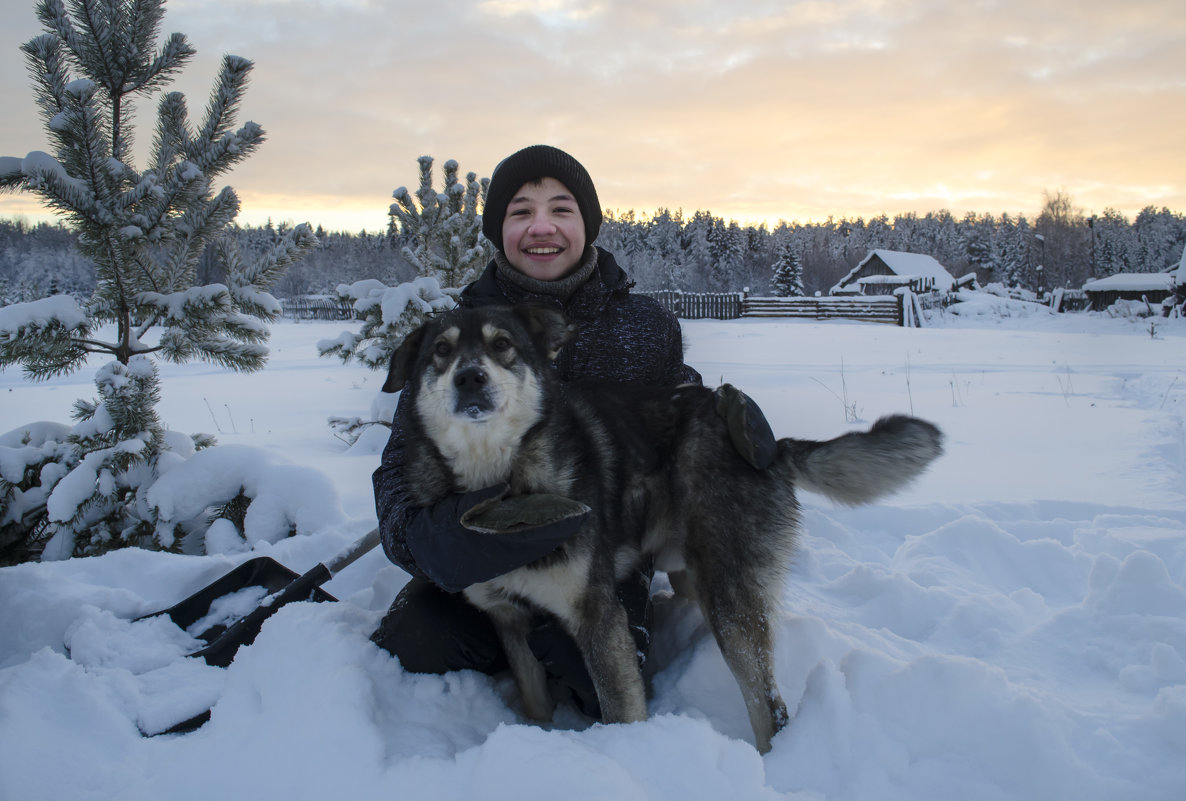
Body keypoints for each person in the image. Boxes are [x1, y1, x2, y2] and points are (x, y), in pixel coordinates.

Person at [370, 144, 773, 717]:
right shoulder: (453, 339)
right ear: (498, 229)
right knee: (413, 642)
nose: (542, 227)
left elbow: (673, 414)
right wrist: (423, 542)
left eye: (562, 209)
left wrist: (728, 427)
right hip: (476, 549)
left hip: (601, 549)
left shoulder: (642, 326)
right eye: (519, 211)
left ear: (586, 224)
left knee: (587, 666)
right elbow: (397, 468)